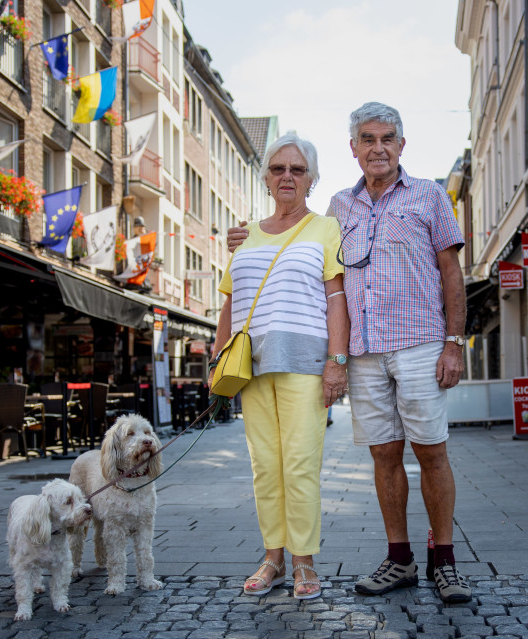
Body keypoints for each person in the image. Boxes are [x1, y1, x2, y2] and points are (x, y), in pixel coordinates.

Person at [228, 103, 471, 603]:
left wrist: (454, 342)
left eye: (387, 138)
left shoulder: (429, 196)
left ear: (401, 145)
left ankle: (444, 560)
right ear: (354, 148)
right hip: (364, 351)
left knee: (431, 451)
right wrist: (243, 236)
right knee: (384, 455)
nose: (377, 148)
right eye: (367, 139)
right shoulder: (341, 206)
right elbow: (300, 248)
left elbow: (452, 272)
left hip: (420, 342)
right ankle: (399, 558)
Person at [212, 132, 349, 600]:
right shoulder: (244, 235)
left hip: (304, 363)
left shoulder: (325, 228)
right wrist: (218, 356)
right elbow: (229, 302)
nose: (286, 176)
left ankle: (304, 562)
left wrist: (337, 361)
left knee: (301, 464)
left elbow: (336, 299)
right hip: (253, 365)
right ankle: (273, 557)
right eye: (277, 169)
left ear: (311, 179)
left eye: (296, 169)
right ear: (267, 178)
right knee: (264, 467)